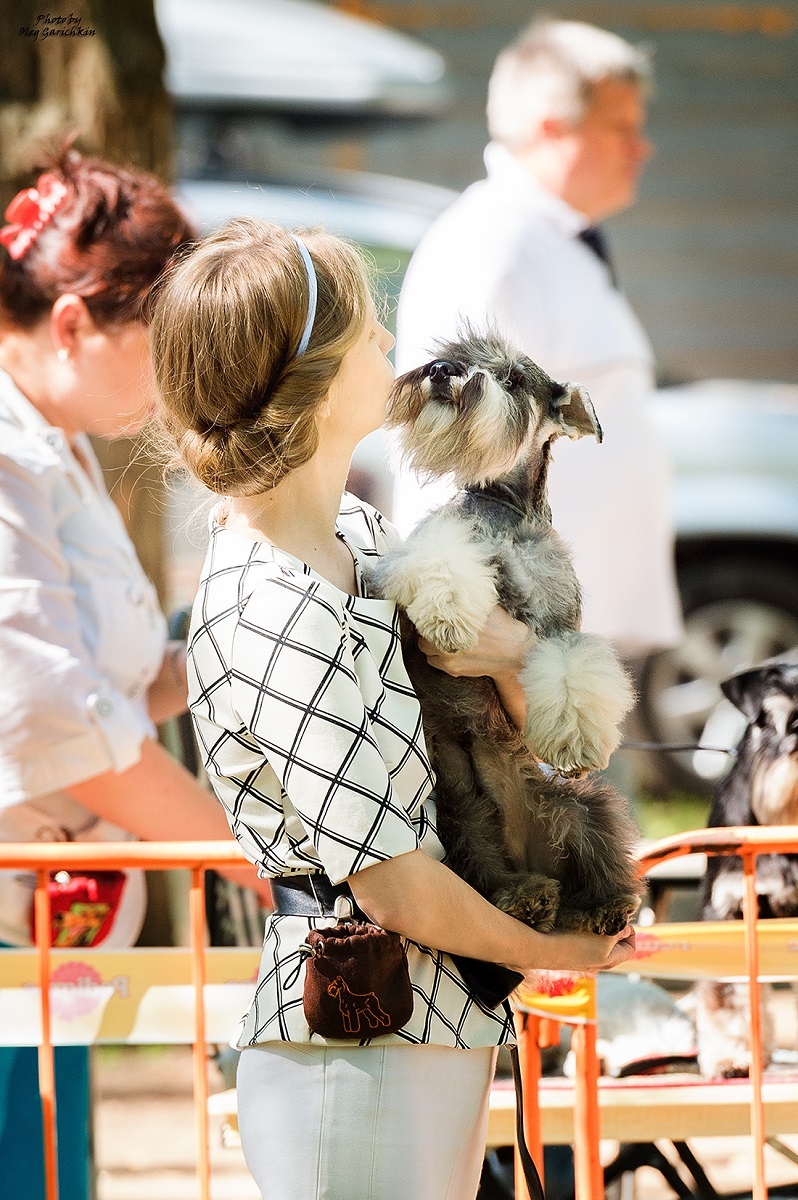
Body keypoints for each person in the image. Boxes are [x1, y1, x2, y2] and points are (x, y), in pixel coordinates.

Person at [151, 216, 636, 1200]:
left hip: (424, 1023)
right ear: (316, 383)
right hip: (354, 1037)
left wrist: (514, 655)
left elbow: (539, 735)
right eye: (372, 335)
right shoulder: (269, 595)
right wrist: (557, 955)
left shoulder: (361, 540)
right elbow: (391, 883)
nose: (394, 352)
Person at [0, 148, 269, 1200]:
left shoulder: (51, 439)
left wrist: (239, 638)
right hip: (20, 894)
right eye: (163, 349)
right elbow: (50, 714)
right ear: (71, 325)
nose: (176, 382)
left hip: (49, 913)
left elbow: (105, 680)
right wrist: (247, 855)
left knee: (55, 1167)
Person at [394, 18, 683, 663]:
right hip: (528, 659)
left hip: (568, 649)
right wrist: (487, 648)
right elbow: (451, 454)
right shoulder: (492, 243)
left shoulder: (550, 239)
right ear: (552, 128)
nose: (643, 149)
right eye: (622, 128)